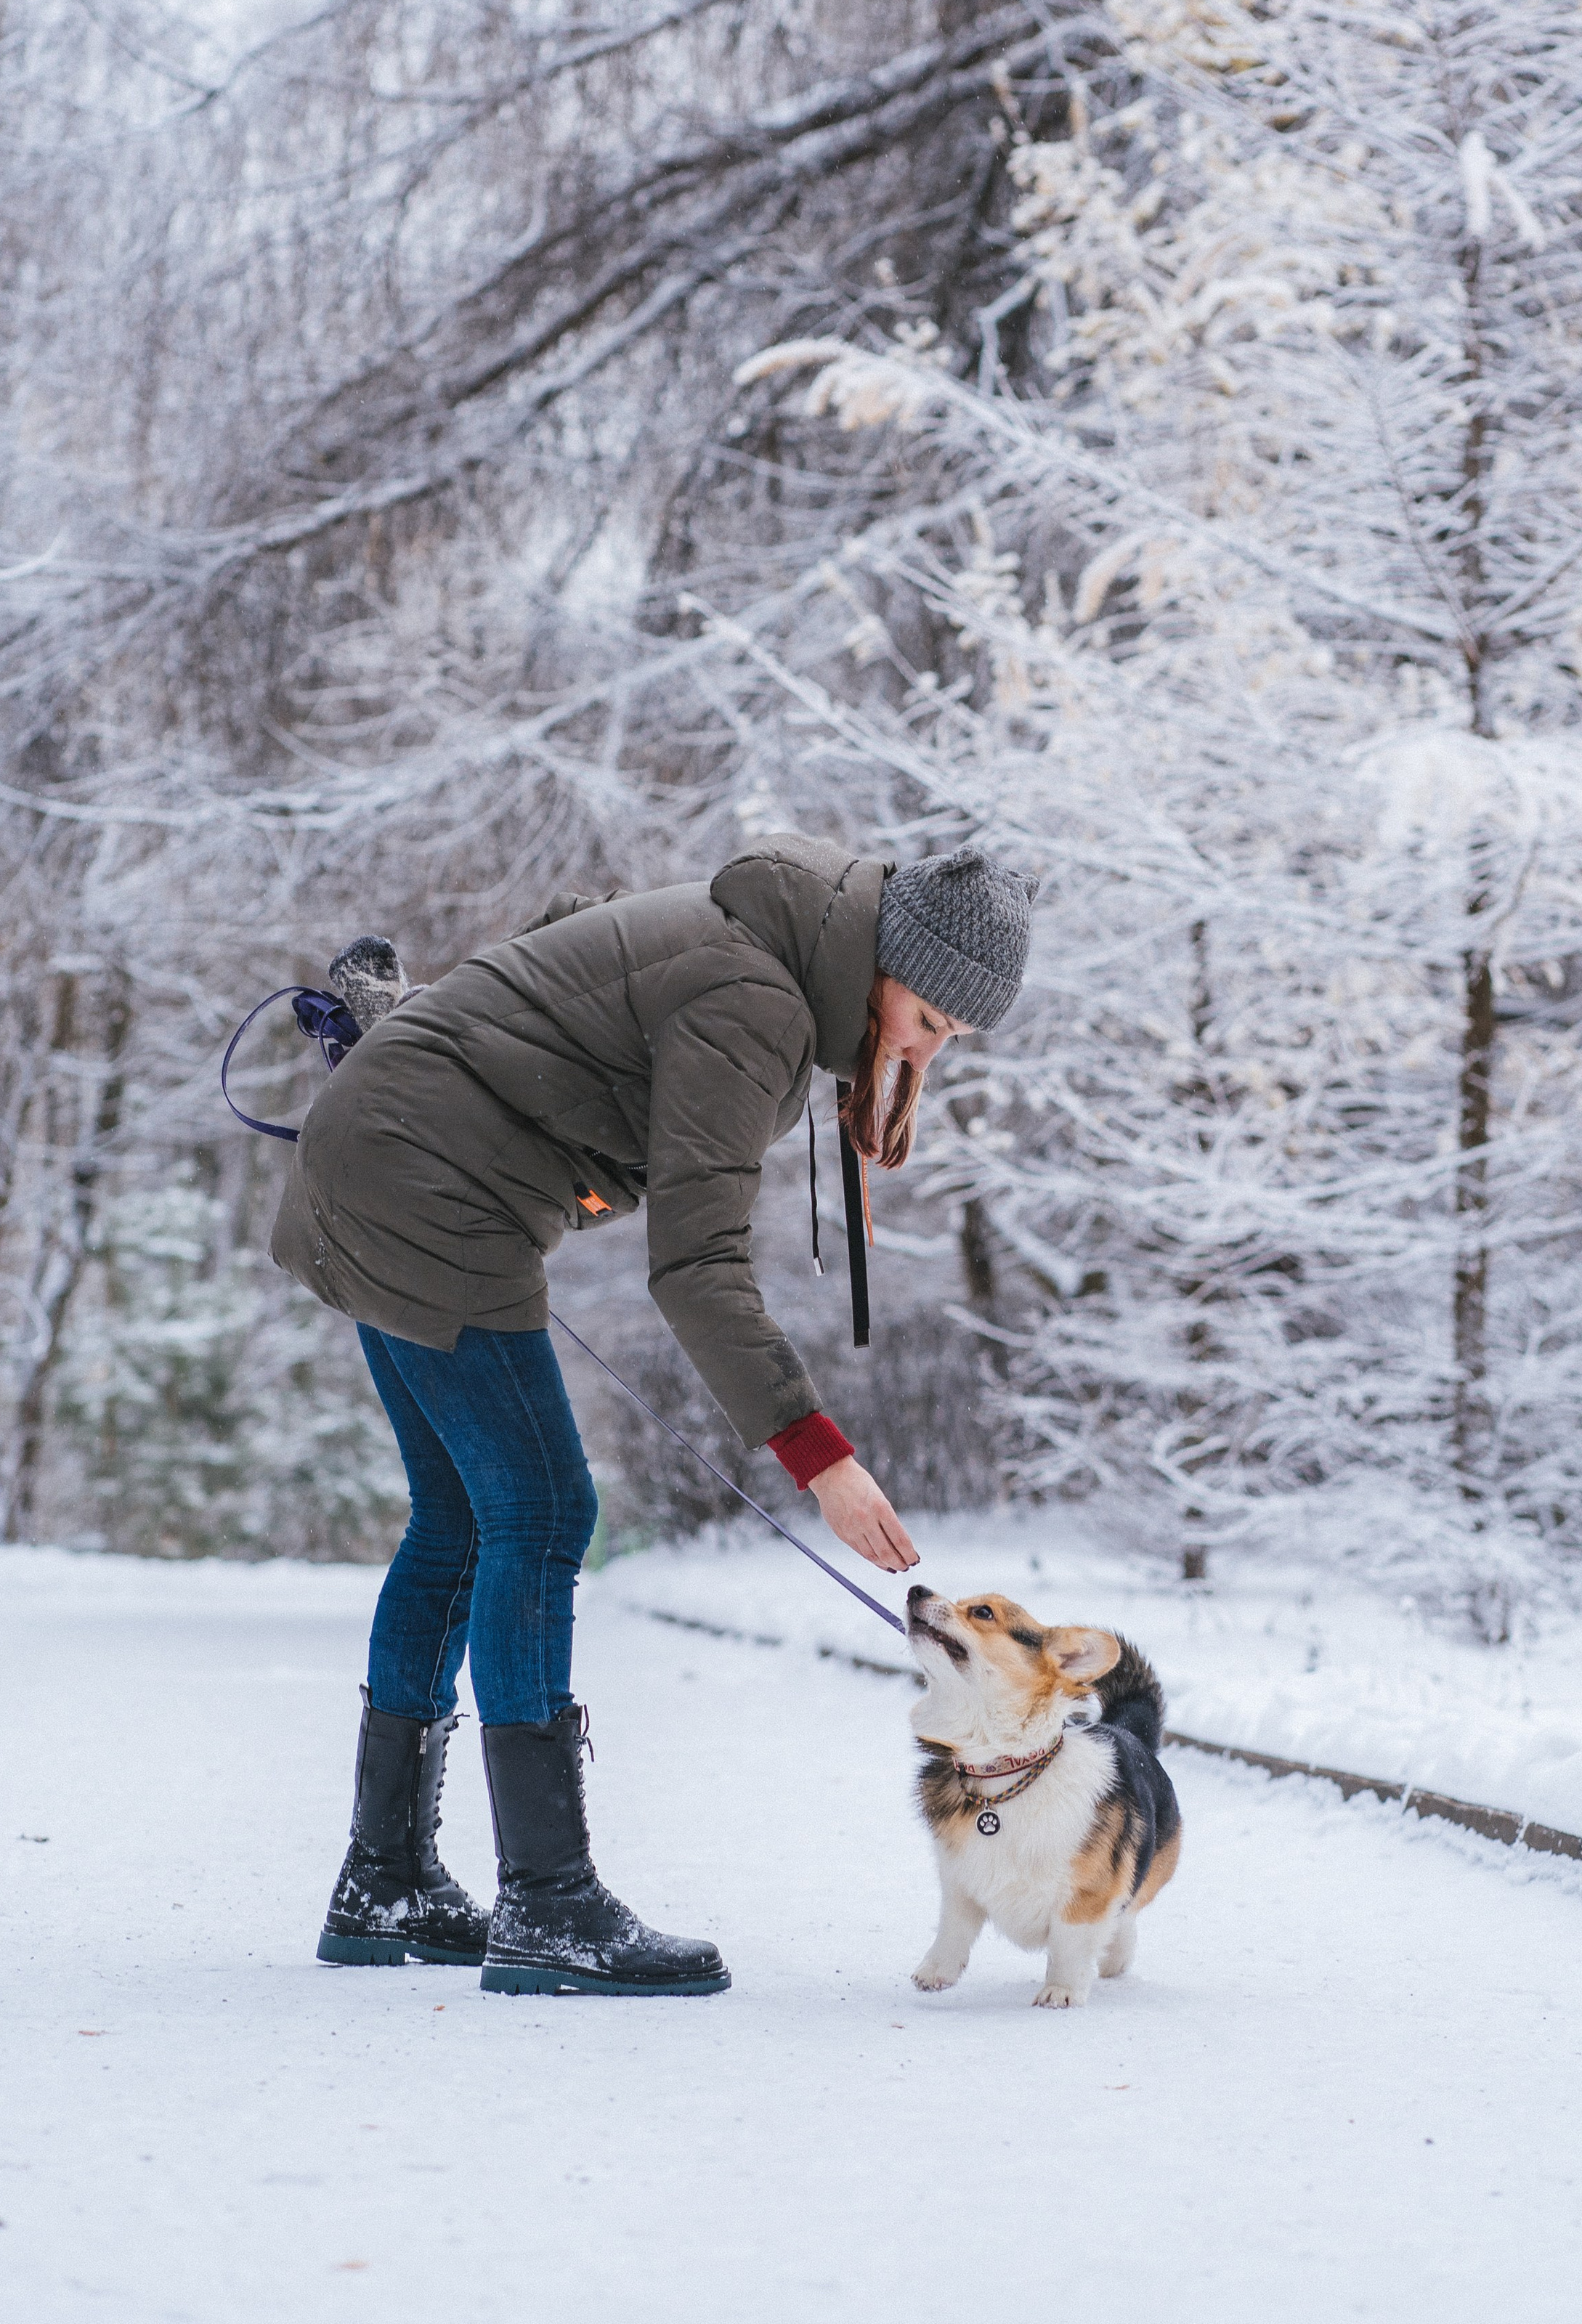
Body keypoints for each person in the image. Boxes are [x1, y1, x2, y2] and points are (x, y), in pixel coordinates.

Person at [272, 831, 1035, 1996]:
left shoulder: (748, 936)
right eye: (927, 1019)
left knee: (463, 1519)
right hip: (425, 1185)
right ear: (887, 956)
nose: (923, 1050)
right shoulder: (758, 1000)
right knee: (540, 1507)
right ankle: (549, 1902)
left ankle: (389, 1882)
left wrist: (406, 1013)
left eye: (949, 1039)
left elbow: (556, 965)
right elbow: (696, 1268)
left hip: (379, 1157)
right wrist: (818, 1455)